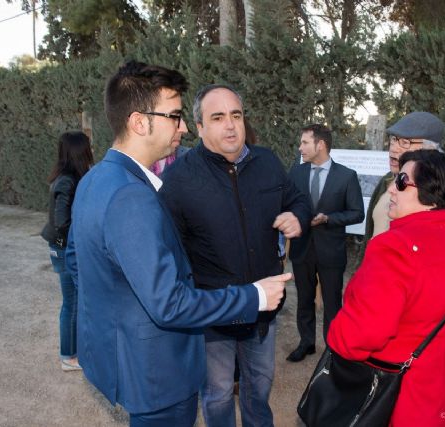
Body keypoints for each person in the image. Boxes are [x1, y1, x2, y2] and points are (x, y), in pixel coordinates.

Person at [65, 62, 290, 427]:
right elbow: (169, 304)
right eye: (174, 116)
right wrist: (255, 297)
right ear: (139, 122)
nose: (183, 127)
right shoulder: (130, 197)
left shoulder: (96, 180)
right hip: (156, 372)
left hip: (126, 361)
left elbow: (80, 265)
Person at [160, 84, 312, 427]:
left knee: (259, 388)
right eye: (218, 117)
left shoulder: (268, 162)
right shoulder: (180, 179)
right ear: (199, 128)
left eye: (236, 115)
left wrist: (297, 217)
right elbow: (169, 253)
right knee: (216, 395)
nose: (230, 125)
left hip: (264, 312)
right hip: (213, 315)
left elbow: (299, 200)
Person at [328, 150, 445, 426]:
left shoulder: (394, 247)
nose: (392, 188)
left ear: (431, 195)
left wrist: (336, 334)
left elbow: (359, 336)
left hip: (406, 399)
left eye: (402, 181)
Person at [360, 111, 445, 270]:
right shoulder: (386, 181)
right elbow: (371, 236)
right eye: (393, 140)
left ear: (429, 148)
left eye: (405, 142)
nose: (394, 148)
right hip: (375, 280)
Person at [286, 124, 364, 362]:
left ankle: (332, 348)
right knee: (304, 299)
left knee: (332, 303)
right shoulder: (296, 173)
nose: (300, 148)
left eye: (305, 143)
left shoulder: (346, 175)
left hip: (331, 251)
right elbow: (287, 204)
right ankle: (306, 343)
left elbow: (357, 213)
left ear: (320, 145)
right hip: (302, 249)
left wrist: (329, 218)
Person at [41, 130, 94, 371]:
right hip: (63, 250)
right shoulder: (67, 180)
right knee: (71, 304)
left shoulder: (66, 176)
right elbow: (62, 221)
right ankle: (68, 356)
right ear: (79, 152)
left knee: (74, 302)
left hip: (61, 247)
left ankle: (74, 351)